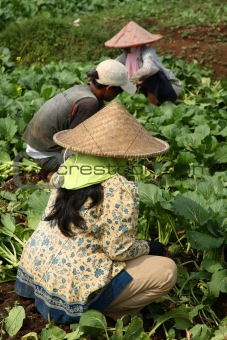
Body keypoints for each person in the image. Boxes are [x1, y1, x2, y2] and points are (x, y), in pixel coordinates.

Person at [15, 101, 177, 324]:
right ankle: (107, 313)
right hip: (70, 287)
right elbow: (118, 249)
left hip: (38, 268)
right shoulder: (116, 188)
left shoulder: (67, 169)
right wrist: (151, 246)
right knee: (166, 270)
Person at [22, 59, 136, 174]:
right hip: (46, 155)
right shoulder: (89, 103)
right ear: (109, 88)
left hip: (36, 146)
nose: (117, 96)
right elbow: (73, 144)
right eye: (118, 92)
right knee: (100, 167)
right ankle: (56, 176)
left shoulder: (84, 90)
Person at [105, 21, 183, 105]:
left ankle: (152, 106)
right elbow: (114, 64)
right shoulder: (127, 54)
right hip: (145, 89)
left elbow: (148, 69)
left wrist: (133, 79)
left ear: (134, 45)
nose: (124, 48)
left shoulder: (148, 52)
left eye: (126, 45)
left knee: (152, 76)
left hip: (168, 90)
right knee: (119, 77)